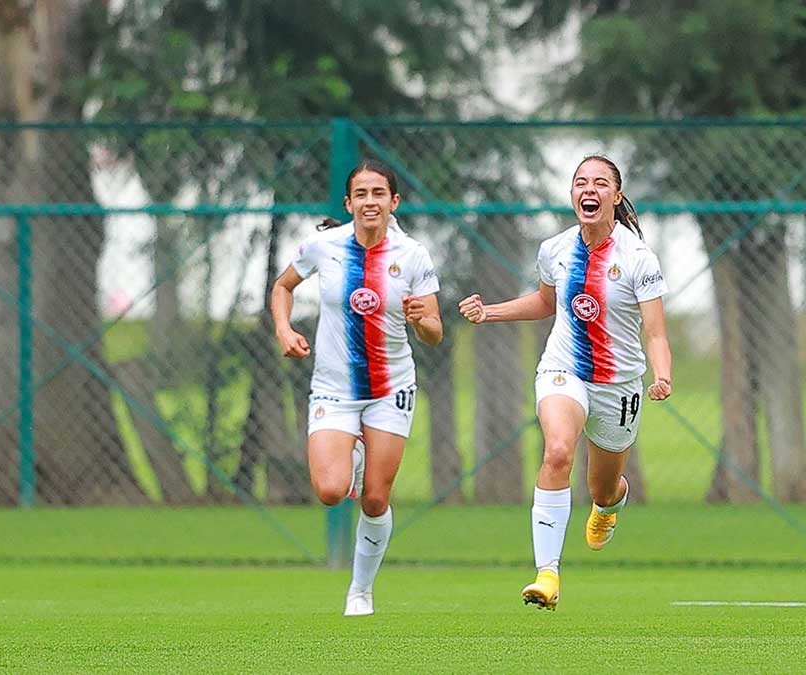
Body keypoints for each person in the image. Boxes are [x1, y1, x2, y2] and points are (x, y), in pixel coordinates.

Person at [458, 155, 672, 610]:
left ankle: (611, 505)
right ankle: (547, 574)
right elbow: (543, 302)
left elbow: (655, 332)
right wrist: (489, 312)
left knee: (602, 487)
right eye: (580, 183)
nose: (588, 190)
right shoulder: (554, 249)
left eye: (599, 183)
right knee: (557, 450)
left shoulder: (638, 258)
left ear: (616, 196)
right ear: (572, 194)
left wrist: (663, 376)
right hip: (563, 369)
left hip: (619, 385)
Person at [271, 160, 443, 616]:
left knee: (375, 498)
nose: (370, 202)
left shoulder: (413, 256)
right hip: (334, 388)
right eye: (361, 194)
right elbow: (282, 286)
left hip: (391, 387)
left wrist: (420, 319)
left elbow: (434, 333)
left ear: (394, 202)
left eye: (378, 193)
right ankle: (355, 454)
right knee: (330, 491)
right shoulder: (324, 246)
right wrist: (284, 330)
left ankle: (360, 591)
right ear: (349, 203)